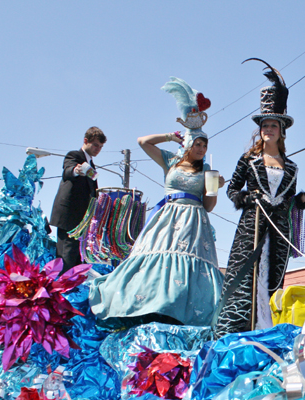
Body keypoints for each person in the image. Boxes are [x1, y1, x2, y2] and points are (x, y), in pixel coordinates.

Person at [89, 78, 224, 327]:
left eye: (205, 145)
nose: (202, 148)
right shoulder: (170, 161)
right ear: (188, 144)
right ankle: (147, 306)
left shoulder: (208, 171)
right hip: (167, 218)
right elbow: (143, 142)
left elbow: (209, 206)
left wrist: (214, 189)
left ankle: (179, 312)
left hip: (193, 222)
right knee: (155, 260)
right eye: (198, 143)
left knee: (186, 266)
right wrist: (170, 136)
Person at [214, 61, 305, 338]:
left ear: (281, 130)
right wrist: (244, 198)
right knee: (244, 278)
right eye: (265, 125)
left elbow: (289, 200)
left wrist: (301, 201)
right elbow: (232, 189)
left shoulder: (291, 167)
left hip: (278, 231)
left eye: (273, 126)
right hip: (252, 229)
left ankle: (262, 326)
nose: (268, 129)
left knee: (271, 279)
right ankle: (236, 329)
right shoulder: (248, 160)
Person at [50, 127, 107, 272]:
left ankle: (72, 289)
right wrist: (76, 170)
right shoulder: (74, 155)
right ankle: (62, 290)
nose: (97, 149)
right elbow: (68, 170)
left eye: (100, 147)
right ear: (85, 141)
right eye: (95, 145)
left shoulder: (91, 164)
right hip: (69, 216)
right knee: (66, 256)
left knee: (76, 258)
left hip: (82, 220)